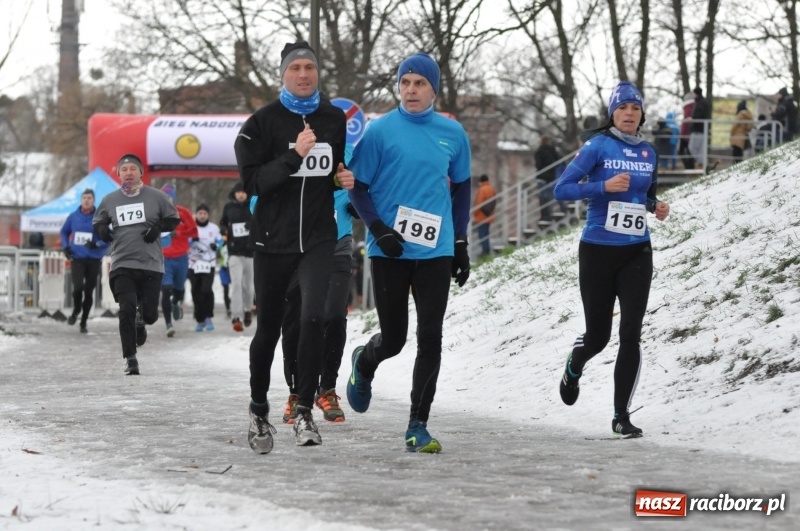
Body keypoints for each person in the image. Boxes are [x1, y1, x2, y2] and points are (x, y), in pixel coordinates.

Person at [347, 52, 472, 453]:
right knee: (396, 338)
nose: (411, 90)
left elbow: (463, 188)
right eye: (405, 82)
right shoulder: (380, 131)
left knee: (430, 336)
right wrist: (379, 230)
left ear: (433, 88)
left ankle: (418, 424)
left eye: (419, 83)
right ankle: (365, 362)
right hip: (389, 250)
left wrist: (460, 242)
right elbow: (358, 187)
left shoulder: (452, 134)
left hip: (435, 248)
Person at [234, 40, 354, 453]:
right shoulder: (261, 123)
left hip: (320, 237)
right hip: (273, 241)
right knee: (268, 328)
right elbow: (252, 183)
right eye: (295, 68)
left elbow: (333, 171)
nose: (304, 74)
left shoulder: (333, 119)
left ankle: (304, 409)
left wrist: (343, 179)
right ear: (282, 75)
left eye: (310, 68)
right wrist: (293, 157)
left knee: (315, 317)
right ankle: (258, 409)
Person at [553, 81, 670, 438]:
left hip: (637, 251)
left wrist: (656, 206)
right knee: (598, 338)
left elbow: (645, 196)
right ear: (612, 114)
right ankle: (575, 364)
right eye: (623, 108)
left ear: (642, 114)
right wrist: (602, 187)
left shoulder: (649, 152)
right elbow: (561, 189)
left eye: (635, 108)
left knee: (631, 333)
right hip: (598, 251)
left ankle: (621, 415)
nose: (630, 114)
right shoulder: (597, 146)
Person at [92, 154, 179, 375]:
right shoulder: (110, 199)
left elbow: (173, 219)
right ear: (119, 174)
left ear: (141, 172)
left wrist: (158, 227)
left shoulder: (156, 197)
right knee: (127, 308)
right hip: (122, 262)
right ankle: (130, 358)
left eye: (133, 169)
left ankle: (142, 322)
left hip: (151, 264)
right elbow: (98, 221)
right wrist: (102, 229)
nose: (128, 173)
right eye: (124, 169)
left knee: (150, 314)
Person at [281, 187, 357, 424]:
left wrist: (359, 199)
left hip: (337, 248)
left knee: (334, 316)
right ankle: (296, 391)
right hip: (295, 248)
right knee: (297, 320)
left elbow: (368, 189)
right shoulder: (288, 152)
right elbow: (256, 197)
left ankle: (327, 389)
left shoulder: (348, 153)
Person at [59, 188, 108, 333]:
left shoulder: (99, 218)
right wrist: (66, 247)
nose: (86, 200)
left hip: (93, 259)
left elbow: (108, 237)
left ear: (94, 201)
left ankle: (84, 321)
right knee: (78, 287)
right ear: (81, 200)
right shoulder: (73, 216)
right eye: (84, 198)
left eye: (89, 198)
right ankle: (76, 309)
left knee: (88, 291)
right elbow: (64, 232)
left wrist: (97, 244)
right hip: (77, 258)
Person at [159, 184, 198, 337]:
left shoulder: (183, 212)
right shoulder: (157, 213)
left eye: (169, 197)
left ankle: (176, 301)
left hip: (181, 257)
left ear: (173, 198)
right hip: (165, 258)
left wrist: (179, 232)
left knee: (179, 289)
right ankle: (168, 324)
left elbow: (194, 231)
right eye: (164, 197)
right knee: (166, 288)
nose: (166, 200)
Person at [219, 180, 254, 332]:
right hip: (234, 252)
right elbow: (222, 222)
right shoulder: (229, 207)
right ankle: (236, 316)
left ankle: (247, 309)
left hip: (250, 252)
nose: (241, 194)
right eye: (238, 192)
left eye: (243, 192)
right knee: (236, 284)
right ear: (234, 193)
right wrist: (223, 230)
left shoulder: (252, 206)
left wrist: (251, 225)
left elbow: (261, 221)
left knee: (248, 285)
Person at [188, 203, 221, 332]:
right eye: (200, 213)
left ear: (208, 215)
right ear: (196, 214)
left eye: (204, 213)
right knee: (196, 291)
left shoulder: (214, 228)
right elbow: (183, 240)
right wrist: (191, 240)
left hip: (209, 263)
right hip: (193, 264)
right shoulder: (191, 227)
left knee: (206, 290)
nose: (202, 216)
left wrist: (216, 246)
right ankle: (200, 319)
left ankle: (208, 316)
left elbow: (221, 241)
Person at [535, 135, 566, 222]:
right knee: (553, 195)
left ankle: (546, 216)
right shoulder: (552, 151)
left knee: (544, 198)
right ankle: (563, 210)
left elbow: (538, 165)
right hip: (551, 177)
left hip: (543, 177)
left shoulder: (539, 151)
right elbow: (557, 161)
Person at [472, 174, 496, 257]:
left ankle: (485, 251)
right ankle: (486, 250)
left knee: (482, 234)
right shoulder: (492, 189)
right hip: (489, 216)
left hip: (481, 217)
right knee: (486, 234)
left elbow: (479, 203)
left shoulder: (482, 189)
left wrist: (474, 213)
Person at [688, 87, 710, 169]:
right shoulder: (701, 102)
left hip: (698, 130)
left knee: (693, 148)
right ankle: (700, 166)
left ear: (695, 93)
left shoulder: (701, 103)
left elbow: (701, 116)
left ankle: (699, 165)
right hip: (701, 129)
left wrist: (693, 119)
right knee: (700, 150)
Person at [729, 100, 754, 164]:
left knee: (736, 155)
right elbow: (750, 127)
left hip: (737, 136)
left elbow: (734, 126)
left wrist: (731, 134)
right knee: (740, 154)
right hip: (744, 136)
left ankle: (735, 167)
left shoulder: (740, 115)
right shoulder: (749, 115)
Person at [678, 92, 695, 169]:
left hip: (685, 134)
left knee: (682, 151)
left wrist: (682, 133)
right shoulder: (692, 107)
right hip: (688, 133)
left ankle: (689, 167)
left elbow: (686, 122)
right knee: (688, 151)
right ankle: (690, 166)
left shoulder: (688, 107)